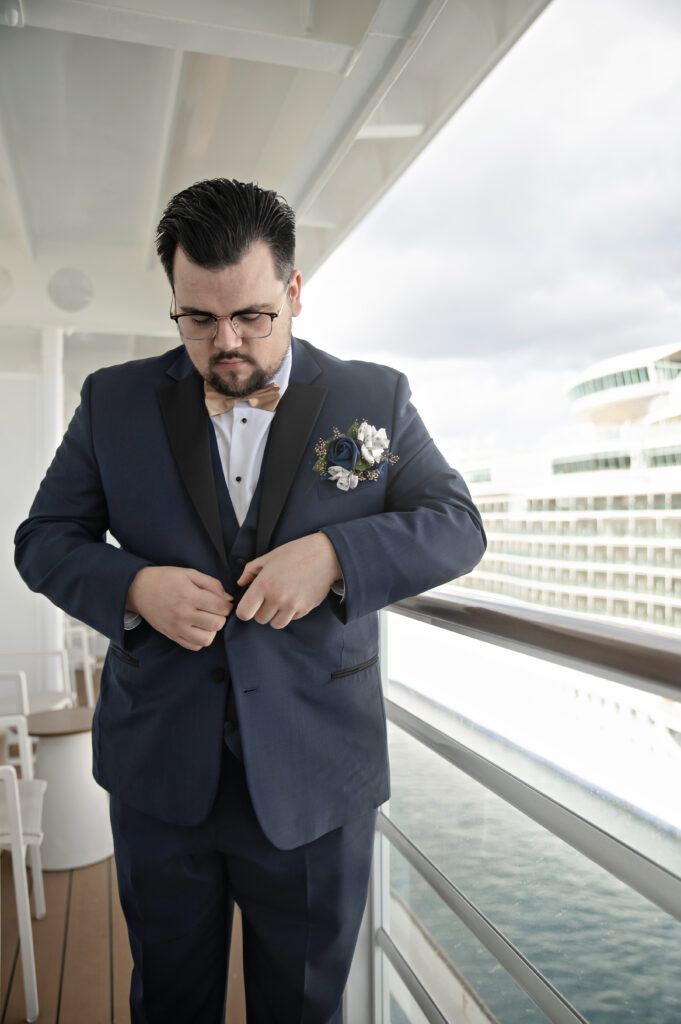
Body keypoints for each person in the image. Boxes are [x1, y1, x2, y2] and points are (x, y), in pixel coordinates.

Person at [14, 178, 486, 1023]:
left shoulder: (373, 398)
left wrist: (335, 555)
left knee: (304, 1007)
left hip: (316, 774)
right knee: (169, 1000)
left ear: (294, 292)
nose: (226, 342)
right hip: (160, 769)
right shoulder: (112, 400)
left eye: (252, 316)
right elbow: (43, 539)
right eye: (198, 318)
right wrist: (134, 586)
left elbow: (456, 526)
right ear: (173, 297)